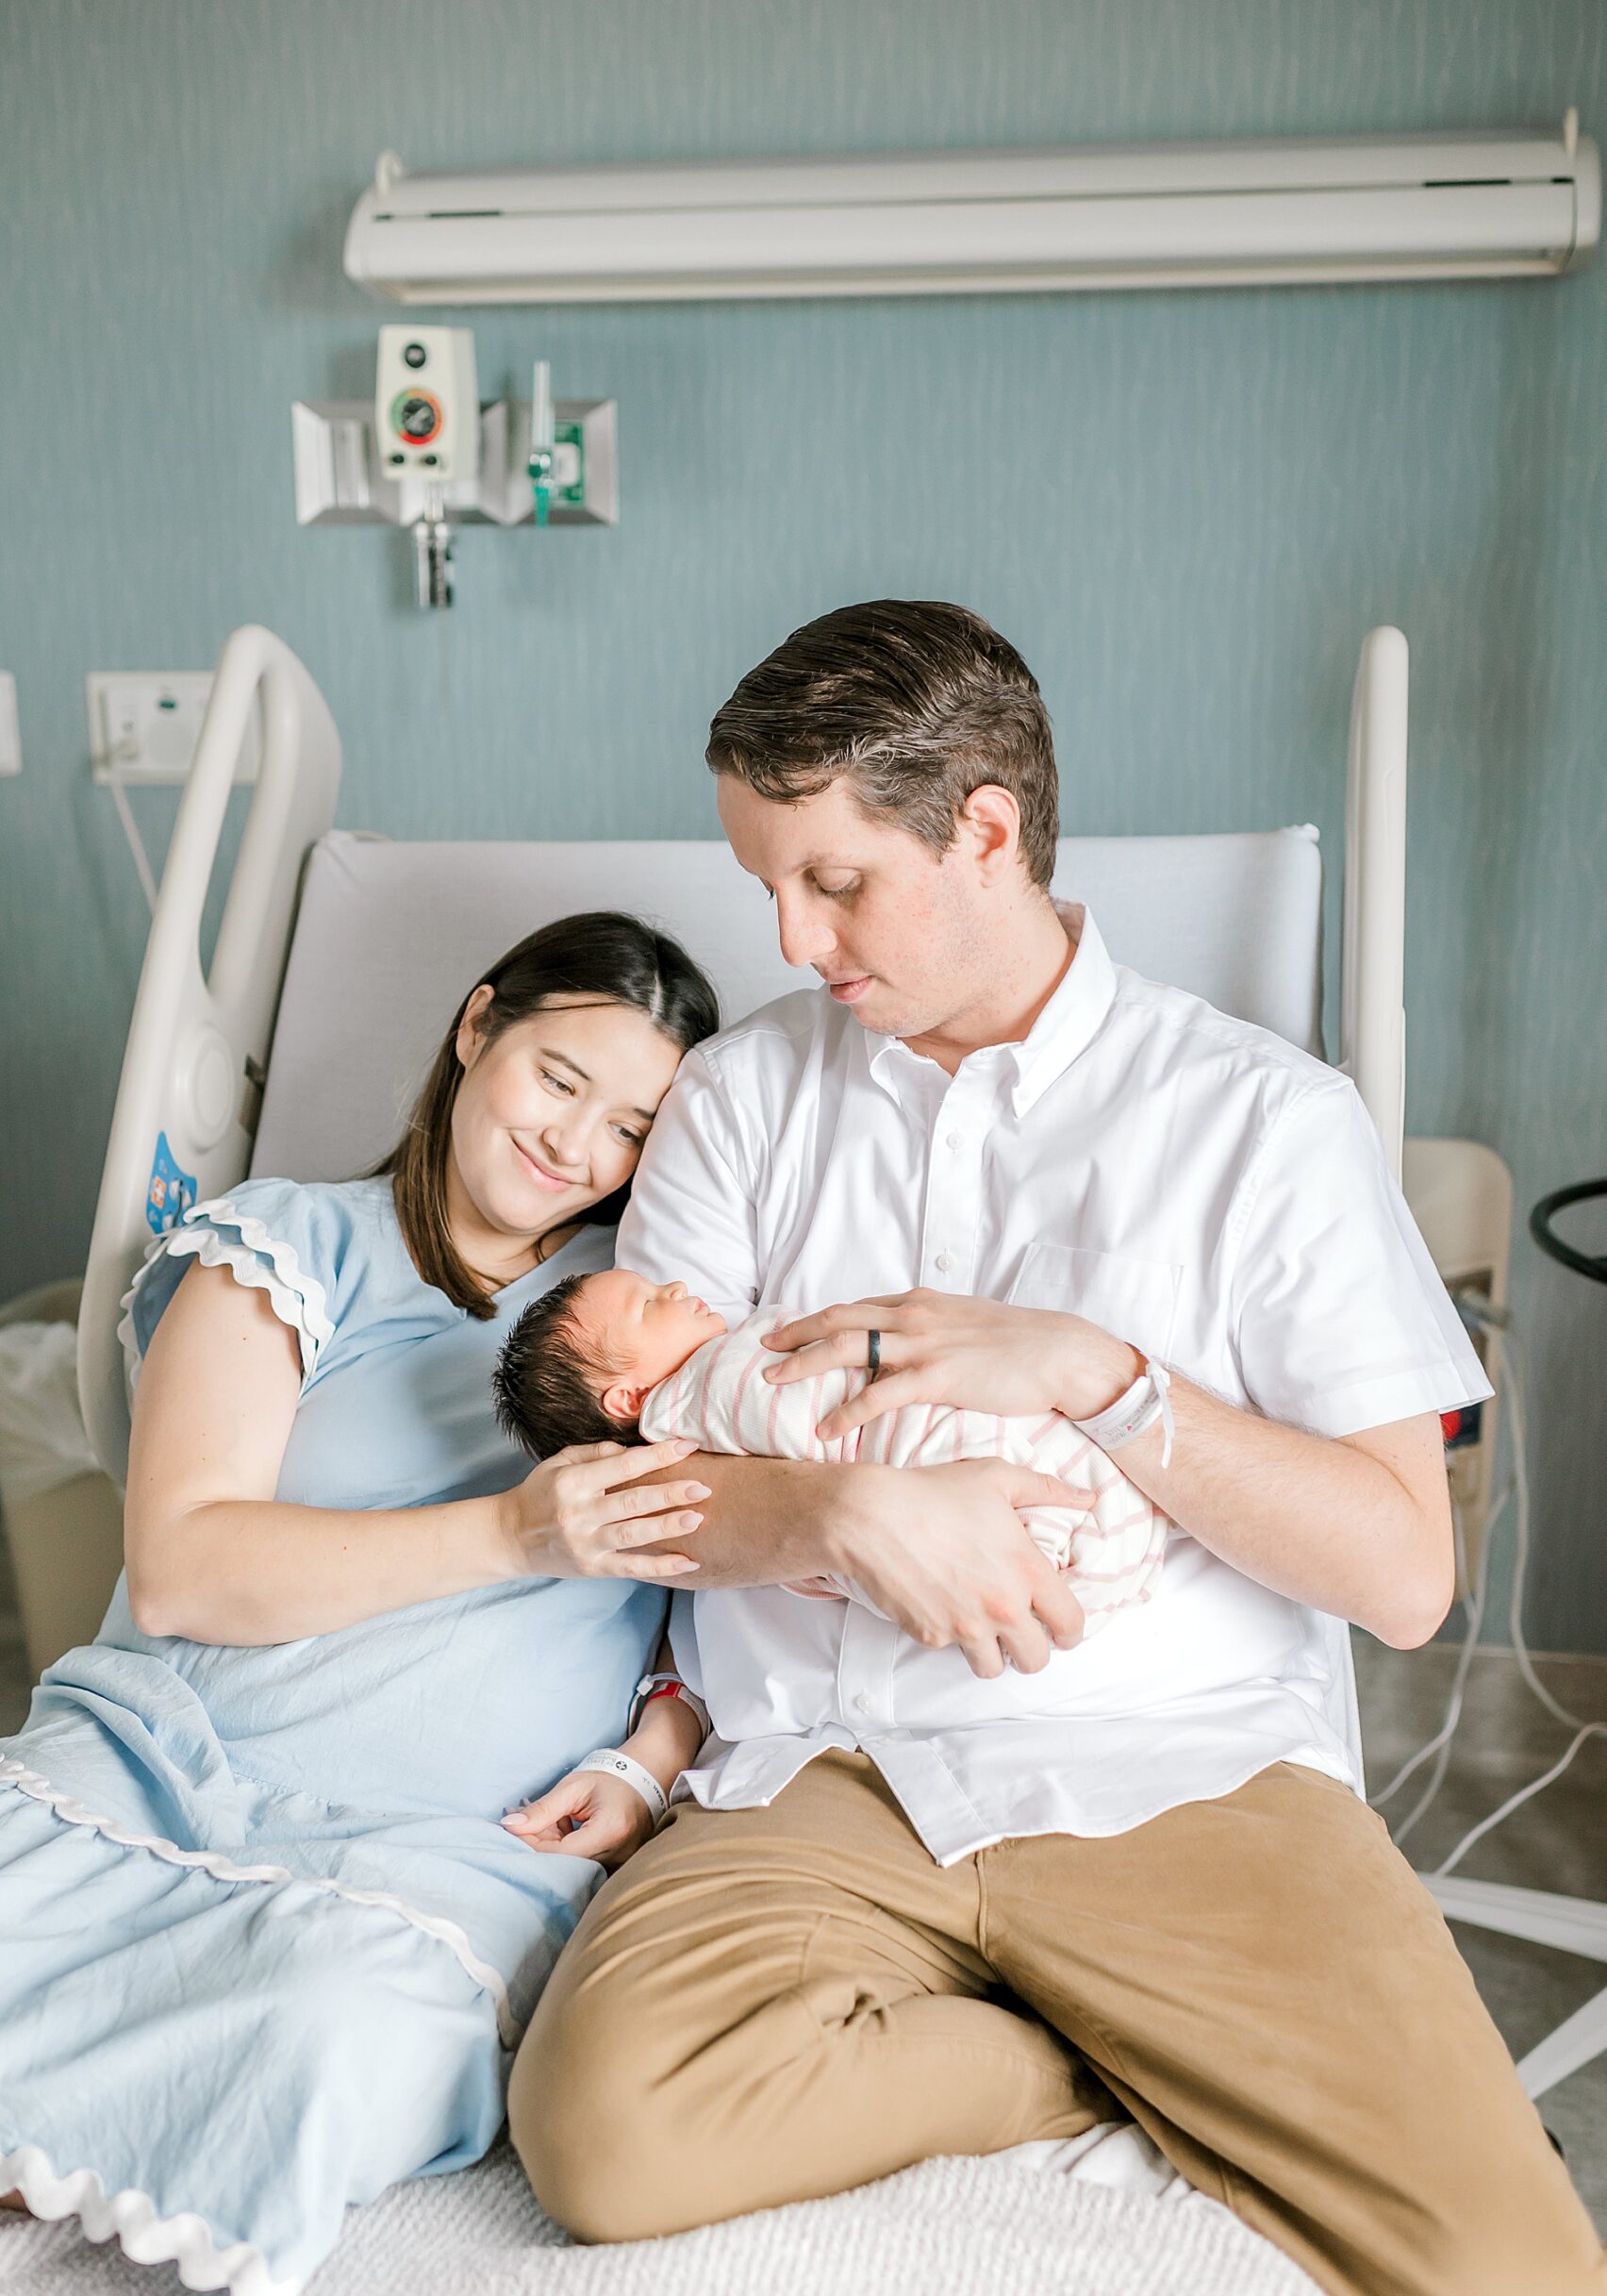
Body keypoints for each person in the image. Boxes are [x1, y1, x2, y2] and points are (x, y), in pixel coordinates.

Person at [510, 605, 1606, 2296]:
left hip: (1171, 1773)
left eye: (833, 882)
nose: (794, 941)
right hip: (823, 1769)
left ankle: (1110, 2025)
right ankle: (1087, 2060)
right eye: (767, 889)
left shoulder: (1261, 1122)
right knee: (605, 2130)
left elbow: (1398, 1575)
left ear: (985, 829)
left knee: (1500, 2263)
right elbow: (641, 1473)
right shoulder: (742, 1099)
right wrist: (848, 1512)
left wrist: (1102, 1379)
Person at [0, 912, 729, 2294]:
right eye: (559, 1080)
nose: (577, 1150)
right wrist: (519, 1532)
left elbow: (732, 1598)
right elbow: (185, 1568)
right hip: (160, 1769)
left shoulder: (648, 1320)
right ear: (476, 1029)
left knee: (334, 2036)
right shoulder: (287, 1244)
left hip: (438, 1853)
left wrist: (651, 1757)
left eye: (628, 1127)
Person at [492, 1265, 1164, 1620]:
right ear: (630, 1399)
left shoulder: (725, 1364)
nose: (673, 1286)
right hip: (937, 1460)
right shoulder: (705, 1393)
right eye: (645, 1305)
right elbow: (806, 1423)